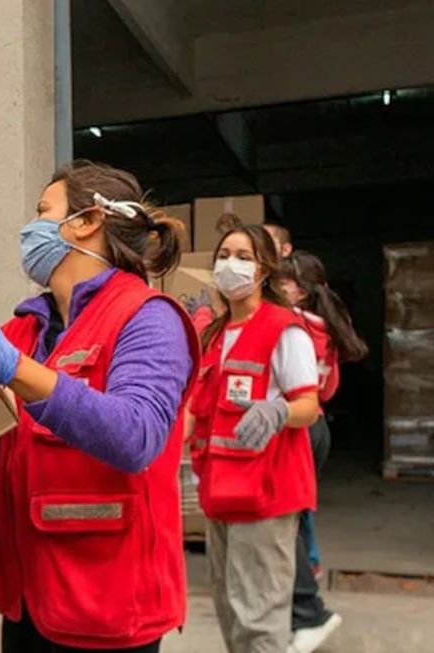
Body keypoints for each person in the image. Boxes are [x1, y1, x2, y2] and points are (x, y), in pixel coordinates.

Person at [0, 160, 200, 653]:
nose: (30, 228)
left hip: (108, 608)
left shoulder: (147, 319)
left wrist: (12, 369)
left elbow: (136, 437)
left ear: (88, 220)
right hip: (27, 601)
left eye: (45, 211)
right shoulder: (22, 332)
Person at [186, 225, 320, 653]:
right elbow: (195, 409)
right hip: (219, 493)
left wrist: (279, 409)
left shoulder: (285, 330)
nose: (231, 264)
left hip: (266, 494)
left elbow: (309, 406)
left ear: (263, 269)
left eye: (243, 256)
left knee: (259, 621)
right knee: (230, 612)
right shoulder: (213, 335)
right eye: (224, 254)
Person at [279, 251, 368, 653]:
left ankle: (308, 611)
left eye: (280, 282)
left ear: (299, 290)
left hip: (296, 427)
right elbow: (327, 391)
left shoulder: (292, 327)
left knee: (286, 523)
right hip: (315, 424)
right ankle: (299, 605)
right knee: (293, 518)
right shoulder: (325, 326)